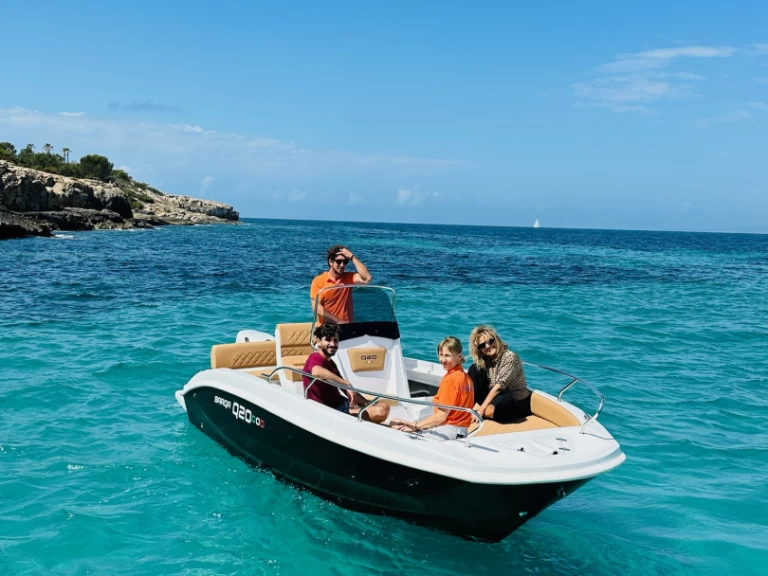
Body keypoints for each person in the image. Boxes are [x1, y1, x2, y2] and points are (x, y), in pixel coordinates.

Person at [390, 336, 475, 441]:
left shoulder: (450, 380)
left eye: (447, 356)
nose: (443, 360)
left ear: (459, 356)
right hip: (461, 431)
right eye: (441, 355)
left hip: (447, 431)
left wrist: (415, 426)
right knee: (396, 420)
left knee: (395, 427)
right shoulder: (467, 378)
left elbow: (441, 416)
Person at [302, 324, 390, 423]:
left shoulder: (330, 362)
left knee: (384, 407)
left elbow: (343, 387)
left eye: (335, 340)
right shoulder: (315, 358)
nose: (332, 344)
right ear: (318, 341)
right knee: (380, 411)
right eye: (328, 340)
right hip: (330, 409)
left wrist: (367, 403)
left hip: (341, 403)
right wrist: (346, 383)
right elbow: (316, 371)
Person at [468, 325, 533, 423]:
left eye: (491, 341)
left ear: (496, 339)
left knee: (502, 399)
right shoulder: (487, 360)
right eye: (482, 345)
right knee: (475, 368)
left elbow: (499, 387)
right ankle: (465, 409)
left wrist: (480, 410)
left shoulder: (510, 357)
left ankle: (485, 412)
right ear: (479, 350)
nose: (488, 346)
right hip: (496, 398)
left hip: (515, 401)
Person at [310, 245, 372, 324]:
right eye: (339, 261)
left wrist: (352, 257)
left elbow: (367, 278)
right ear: (330, 262)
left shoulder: (349, 277)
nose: (342, 265)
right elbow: (316, 307)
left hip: (346, 328)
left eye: (345, 262)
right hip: (327, 328)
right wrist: (338, 321)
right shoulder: (318, 281)